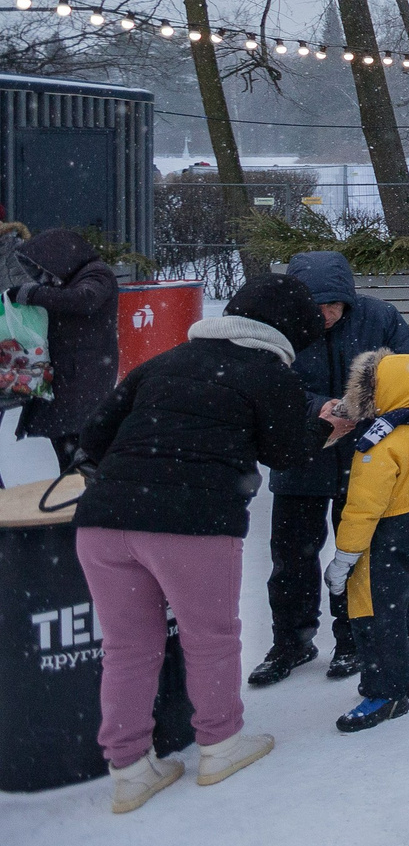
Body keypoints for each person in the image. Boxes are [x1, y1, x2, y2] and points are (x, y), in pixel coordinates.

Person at [74, 274, 339, 813]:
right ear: (285, 331)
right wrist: (328, 426)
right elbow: (284, 453)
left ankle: (128, 768)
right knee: (210, 637)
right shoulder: (268, 373)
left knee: (127, 647)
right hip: (193, 524)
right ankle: (220, 744)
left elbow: (95, 435)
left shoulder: (166, 360)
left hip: (103, 521)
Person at [248, 251, 409, 689]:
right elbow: (262, 383)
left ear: (347, 299)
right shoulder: (277, 326)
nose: (324, 316)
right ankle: (292, 641)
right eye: (315, 308)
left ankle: (351, 640)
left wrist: (365, 406)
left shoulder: (379, 317)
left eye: (333, 306)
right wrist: (316, 408)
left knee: (356, 553)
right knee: (291, 558)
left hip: (364, 463)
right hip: (299, 456)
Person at [323, 350, 409, 733]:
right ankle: (408, 670)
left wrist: (344, 558)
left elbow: (362, 509)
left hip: (383, 534)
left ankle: (385, 691)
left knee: (373, 613)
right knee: (403, 603)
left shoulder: (379, 444)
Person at [11, 227, 121, 471]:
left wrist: (34, 294)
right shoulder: (74, 277)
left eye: (43, 268)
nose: (43, 277)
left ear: (59, 256)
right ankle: (78, 490)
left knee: (76, 441)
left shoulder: (97, 274)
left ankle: (84, 495)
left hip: (83, 374)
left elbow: (84, 299)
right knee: (66, 440)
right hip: (72, 373)